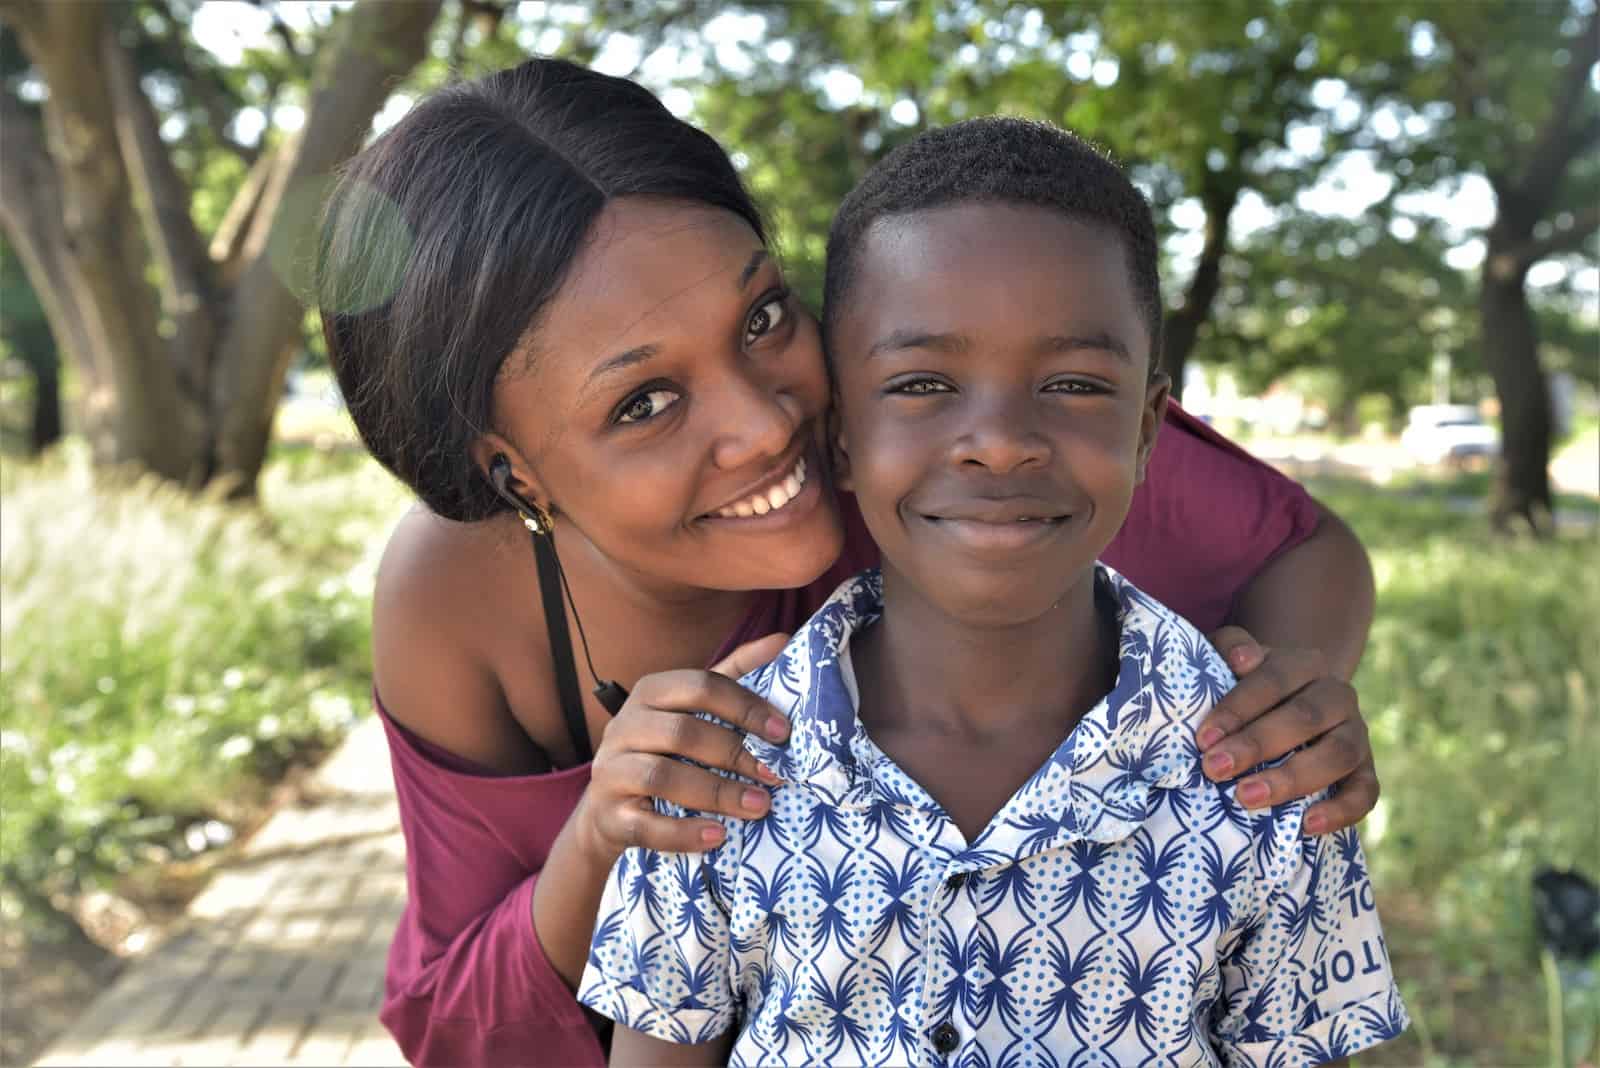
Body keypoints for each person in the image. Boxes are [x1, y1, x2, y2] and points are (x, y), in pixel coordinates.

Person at [315, 59, 1381, 1067]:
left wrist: (1271, 728)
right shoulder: (460, 595)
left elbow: (1303, 547)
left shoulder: (958, 455)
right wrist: (607, 832)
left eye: (763, 317)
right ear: (514, 474)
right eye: (644, 403)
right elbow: (456, 1028)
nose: (768, 422)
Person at [580, 116, 1407, 1067]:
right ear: (841, 435)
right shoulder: (718, 774)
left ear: (1147, 430)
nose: (1001, 439)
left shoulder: (1270, 779)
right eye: (924, 383)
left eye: (1075, 385)